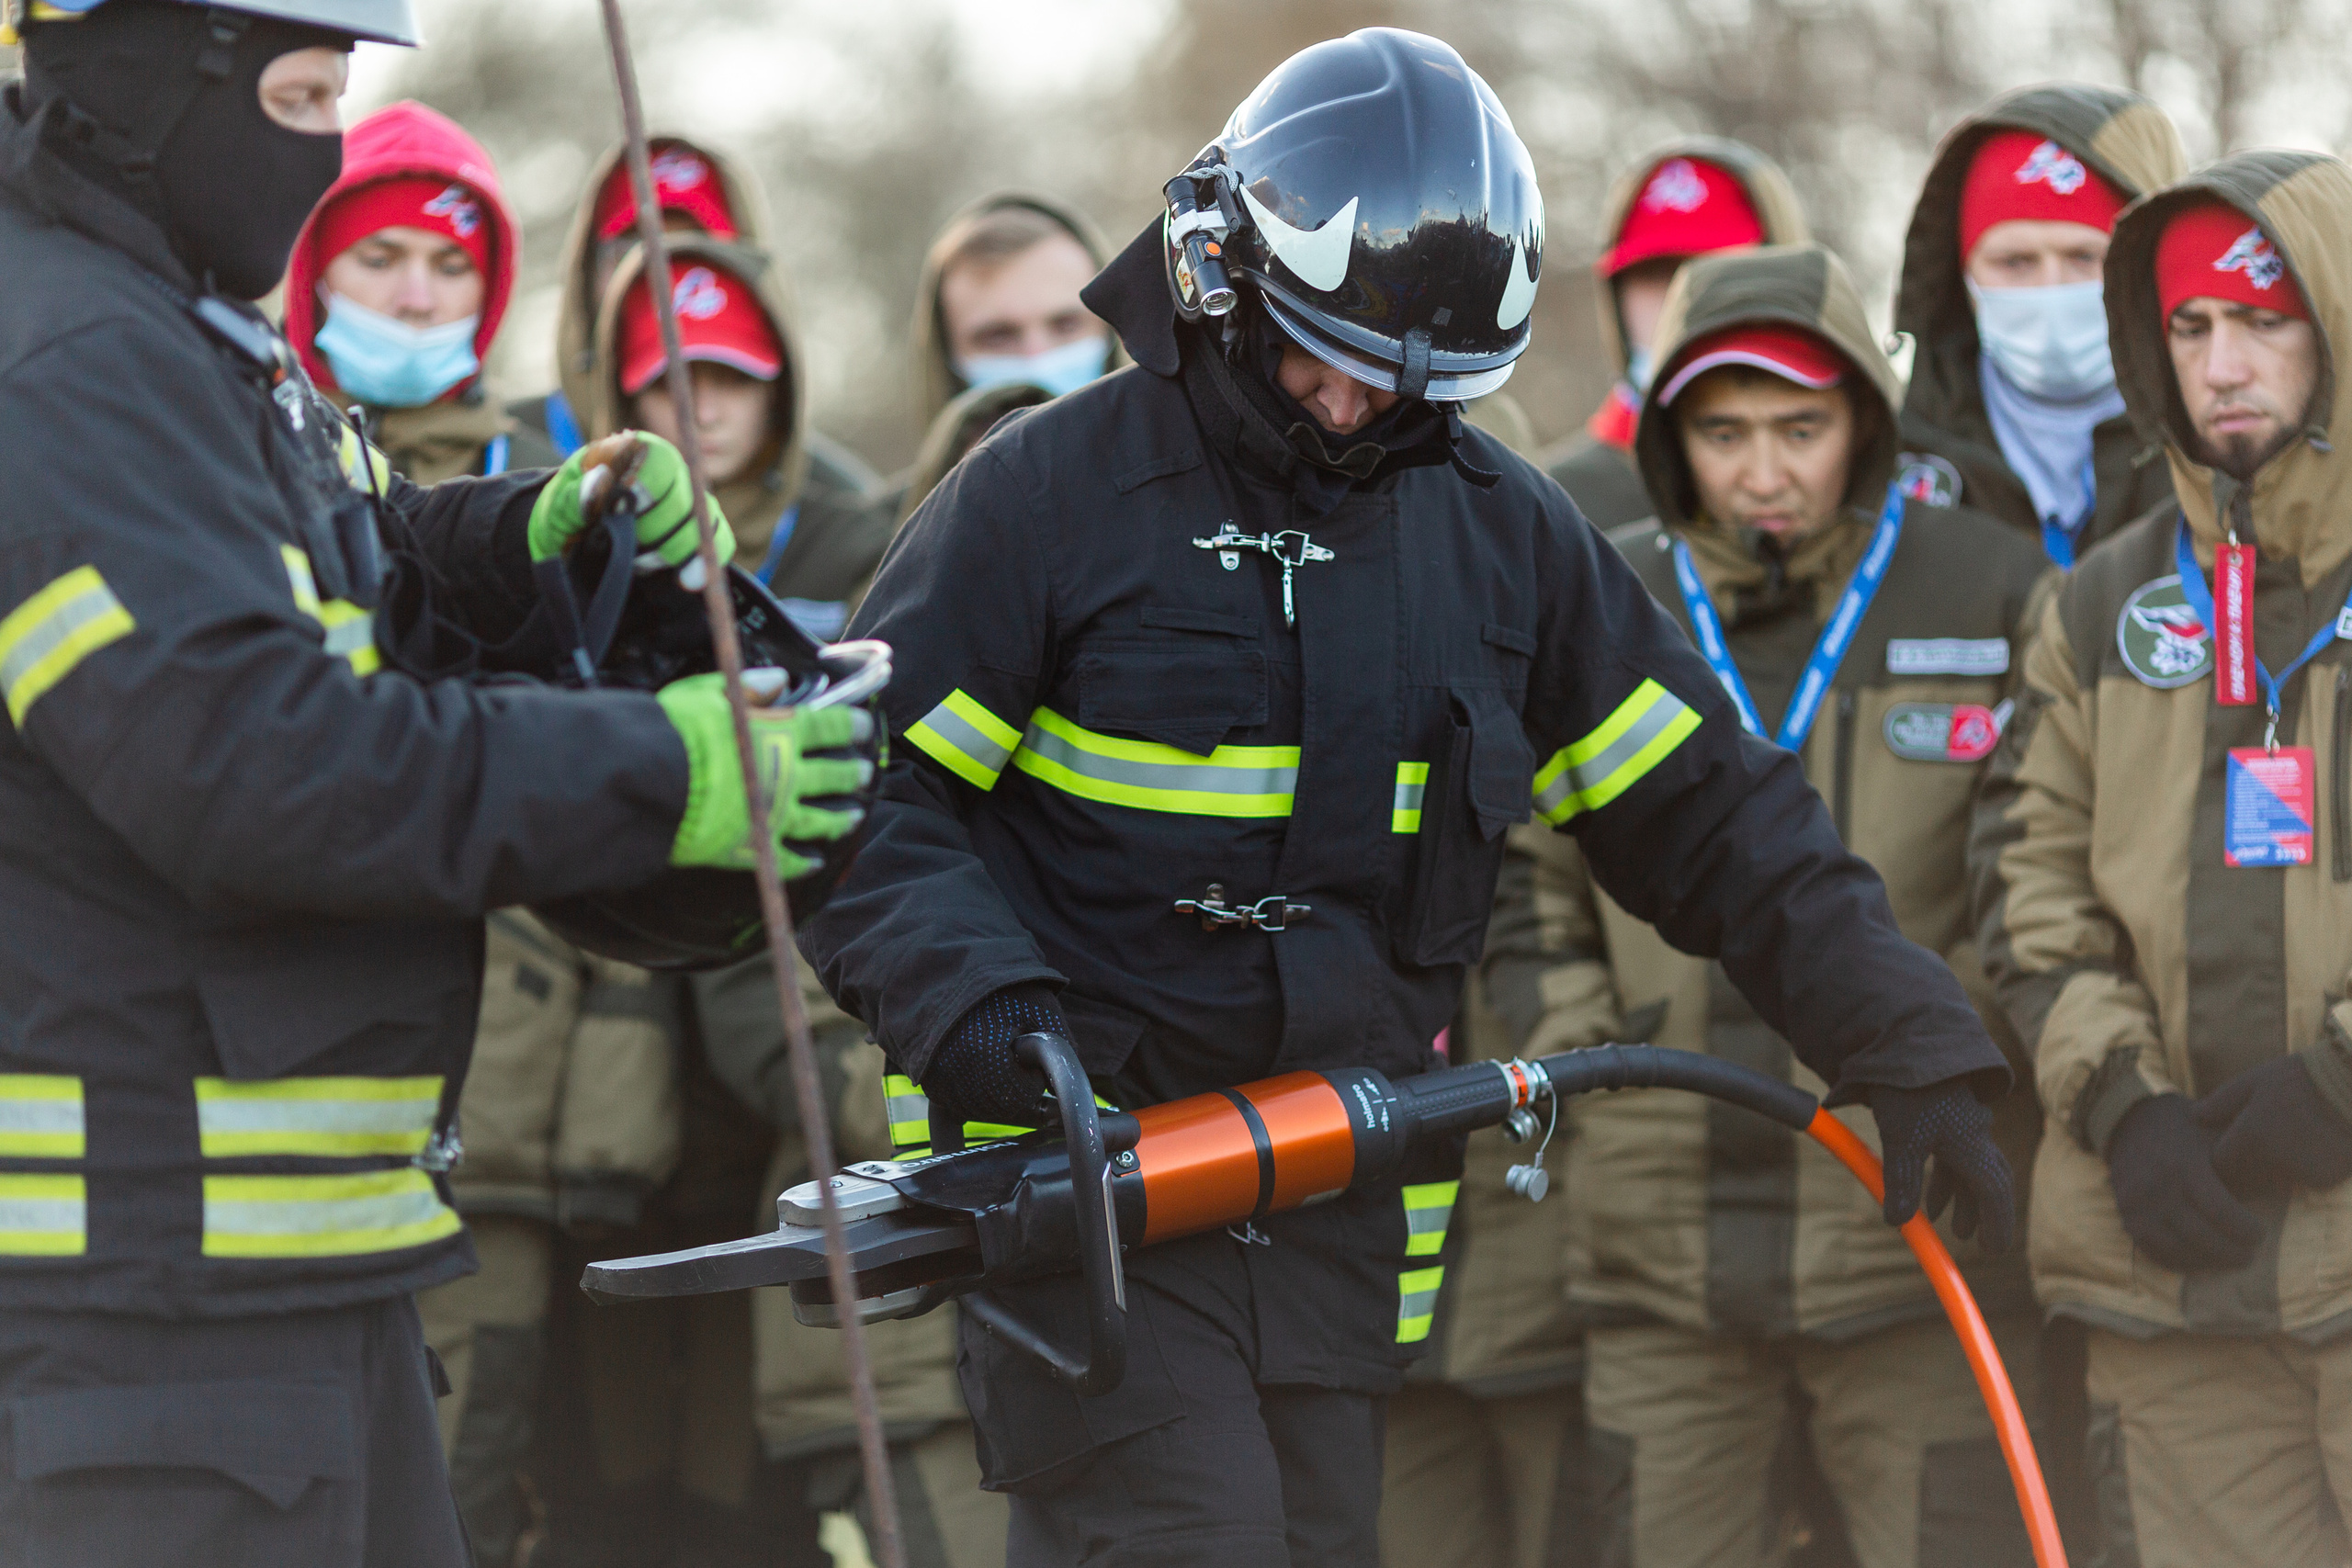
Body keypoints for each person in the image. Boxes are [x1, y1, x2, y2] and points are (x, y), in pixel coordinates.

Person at [804, 29, 2019, 1565]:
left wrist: (1903, 1034)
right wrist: (984, 1007)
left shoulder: (1499, 533)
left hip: (1332, 1211)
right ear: (1227, 273)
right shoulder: (1044, 499)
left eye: (1406, 381)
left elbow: (1711, 811)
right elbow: (850, 796)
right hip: (1095, 1205)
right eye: (1328, 350)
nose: (1351, 405)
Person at [0, 1, 874, 1564]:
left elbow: (346, 567)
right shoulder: (68, 362)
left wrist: (532, 537)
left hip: (306, 1291)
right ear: (149, 77)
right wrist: (661, 770)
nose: (318, 150)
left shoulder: (183, 327)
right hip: (143, 1326)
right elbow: (249, 761)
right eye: (297, 93)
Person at [1519, 243, 2053, 1568]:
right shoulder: (1601, 594)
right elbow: (1513, 877)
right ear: (1668, 436)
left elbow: (2040, 865)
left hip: (1908, 1231)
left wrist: (1966, 1048)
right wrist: (1590, 1062)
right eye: (1724, 430)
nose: (1764, 470)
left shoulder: (1986, 584)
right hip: (1659, 1252)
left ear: (1864, 421)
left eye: (1801, 428)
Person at [280, 100, 682, 1568]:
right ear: (313, 262)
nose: (412, 292)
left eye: (446, 266)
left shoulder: (556, 481)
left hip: (510, 1127)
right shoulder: (255, 447)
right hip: (294, 1088)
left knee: (481, 1488)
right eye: (377, 254)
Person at [1973, 153, 2352, 1568]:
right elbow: (2026, 881)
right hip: (2171, 1272)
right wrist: (2122, 1102)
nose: (2224, 363)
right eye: (2190, 329)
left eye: (2263, 319)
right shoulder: (2097, 602)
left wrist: (2342, 1079)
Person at [1892, 85, 2186, 564]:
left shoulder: (2221, 455)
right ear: (1964, 279)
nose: (2052, 288)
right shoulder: (1894, 471)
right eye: (2015, 262)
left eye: (2085, 258)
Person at [283, 99, 560, 482]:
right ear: (312, 279)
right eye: (379, 261)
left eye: (451, 268)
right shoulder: (236, 450)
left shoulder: (545, 490)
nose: (417, 301)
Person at [1544, 138, 1809, 532]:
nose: (1679, 299)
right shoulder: (1552, 501)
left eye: (1709, 271)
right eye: (1654, 275)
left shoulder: (1857, 476)